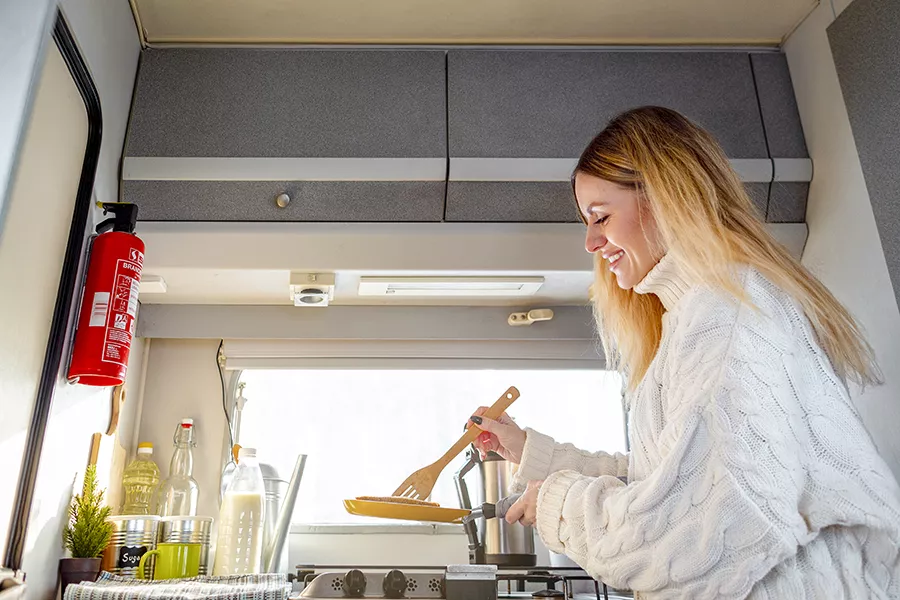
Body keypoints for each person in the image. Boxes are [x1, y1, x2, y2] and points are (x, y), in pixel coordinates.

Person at [467, 106, 900, 599]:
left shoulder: (728, 317)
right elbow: (678, 480)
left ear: (666, 197)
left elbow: (700, 530)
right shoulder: (701, 313)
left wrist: (559, 504)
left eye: (600, 217)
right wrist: (536, 455)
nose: (590, 242)